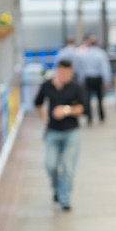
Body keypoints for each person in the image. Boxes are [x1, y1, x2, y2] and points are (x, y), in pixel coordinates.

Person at [34, 59, 85, 211]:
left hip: (71, 132)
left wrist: (67, 110)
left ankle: (65, 199)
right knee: (51, 165)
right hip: (53, 132)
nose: (65, 76)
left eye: (68, 73)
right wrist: (45, 118)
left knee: (68, 167)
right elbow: (38, 103)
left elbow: (83, 108)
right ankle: (57, 189)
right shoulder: (48, 85)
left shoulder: (75, 87)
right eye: (62, 73)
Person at [72, 34, 111, 124]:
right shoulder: (101, 53)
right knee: (100, 99)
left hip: (88, 78)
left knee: (87, 100)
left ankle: (89, 118)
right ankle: (101, 117)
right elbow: (104, 68)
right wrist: (107, 80)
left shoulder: (84, 54)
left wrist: (81, 79)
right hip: (98, 78)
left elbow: (80, 68)